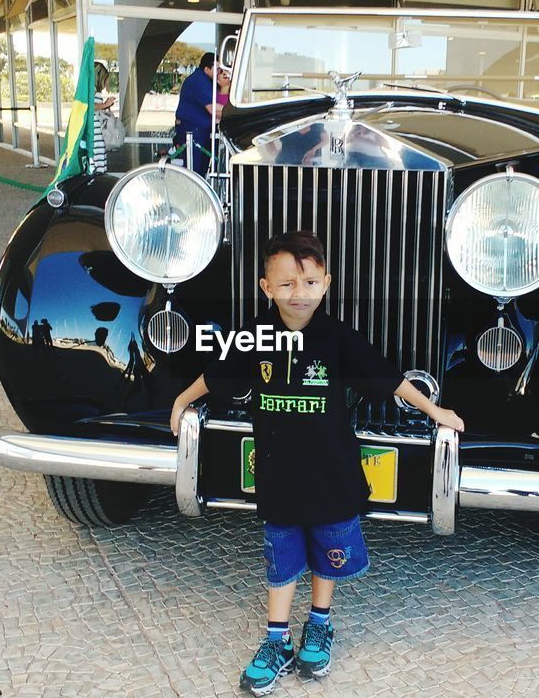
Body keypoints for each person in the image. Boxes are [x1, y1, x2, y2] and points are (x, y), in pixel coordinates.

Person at [169, 231, 464, 697]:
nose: (298, 294)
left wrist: (434, 411)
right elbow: (216, 375)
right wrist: (181, 402)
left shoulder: (337, 337)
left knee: (328, 553)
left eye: (309, 282)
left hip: (332, 473)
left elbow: (386, 378)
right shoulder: (254, 335)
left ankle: (320, 623)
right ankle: (276, 639)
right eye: (286, 284)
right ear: (266, 287)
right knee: (281, 560)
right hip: (278, 476)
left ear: (326, 283)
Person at [174, 52, 219, 175]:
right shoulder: (200, 81)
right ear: (207, 69)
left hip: (197, 129)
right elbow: (213, 109)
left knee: (199, 168)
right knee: (195, 170)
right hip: (193, 130)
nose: (219, 72)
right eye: (217, 69)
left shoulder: (202, 80)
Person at [91, 62, 115, 174]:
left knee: (99, 158)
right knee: (97, 161)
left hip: (97, 131)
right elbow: (89, 107)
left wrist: (105, 106)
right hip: (94, 133)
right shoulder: (91, 90)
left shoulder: (93, 90)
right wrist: (105, 105)